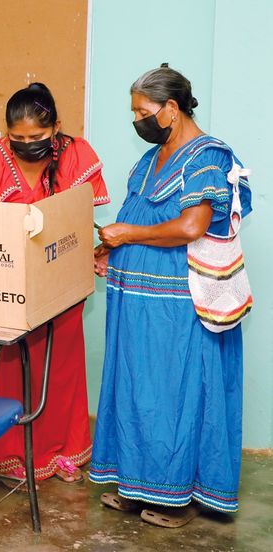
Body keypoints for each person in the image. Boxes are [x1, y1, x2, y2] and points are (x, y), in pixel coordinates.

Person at [90, 65, 250, 527]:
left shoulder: (207, 157)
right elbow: (137, 214)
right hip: (134, 301)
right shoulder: (152, 157)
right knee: (136, 389)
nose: (137, 120)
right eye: (134, 112)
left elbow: (191, 226)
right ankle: (135, 485)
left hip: (179, 304)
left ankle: (177, 496)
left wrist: (128, 234)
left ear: (172, 108)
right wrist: (110, 249)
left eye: (143, 112)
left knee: (175, 394)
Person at [0, 83, 110, 486]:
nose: (27, 145)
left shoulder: (78, 156)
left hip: (61, 283)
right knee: (7, 369)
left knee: (60, 369)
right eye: (18, 138)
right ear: (6, 133)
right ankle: (9, 454)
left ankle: (63, 451)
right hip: (3, 285)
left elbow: (80, 221)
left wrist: (92, 253)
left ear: (56, 128)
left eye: (37, 137)